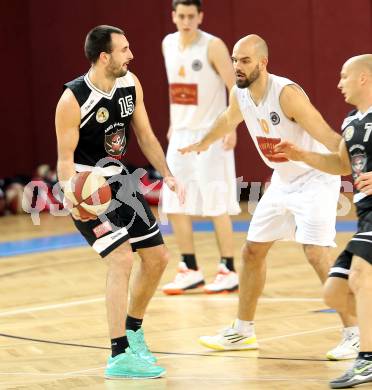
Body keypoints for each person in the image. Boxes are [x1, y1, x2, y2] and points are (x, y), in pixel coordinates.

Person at [179, 34, 358, 360]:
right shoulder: (240, 93)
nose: (237, 66)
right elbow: (227, 119)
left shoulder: (287, 95)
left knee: (316, 253)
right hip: (283, 181)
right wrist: (203, 142)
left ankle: (355, 334)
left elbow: (330, 136)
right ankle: (242, 331)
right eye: (234, 60)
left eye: (244, 61)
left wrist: (359, 164)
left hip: (317, 178)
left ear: (263, 62)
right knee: (251, 252)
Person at [55, 25, 184, 380]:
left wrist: (167, 173)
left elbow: (144, 134)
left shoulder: (130, 84)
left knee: (157, 258)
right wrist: (73, 192)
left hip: (121, 180)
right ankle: (118, 355)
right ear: (104, 57)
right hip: (87, 188)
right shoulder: (73, 99)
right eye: (124, 49)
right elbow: (65, 160)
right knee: (122, 258)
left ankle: (133, 330)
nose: (131, 55)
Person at [274, 54, 372, 389]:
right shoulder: (350, 121)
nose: (338, 83)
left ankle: (367, 361)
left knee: (360, 277)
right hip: (365, 215)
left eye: (344, 77)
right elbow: (342, 164)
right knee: (334, 292)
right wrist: (304, 156)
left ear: (363, 78)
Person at [161, 0, 241, 295]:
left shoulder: (213, 45)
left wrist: (231, 126)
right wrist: (173, 123)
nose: (185, 21)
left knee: (215, 202)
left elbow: (235, 87)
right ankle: (189, 267)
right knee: (175, 202)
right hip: (180, 134)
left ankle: (228, 269)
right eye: (180, 16)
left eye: (191, 16)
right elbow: (175, 90)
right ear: (173, 16)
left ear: (200, 16)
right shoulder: (168, 44)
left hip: (211, 134)